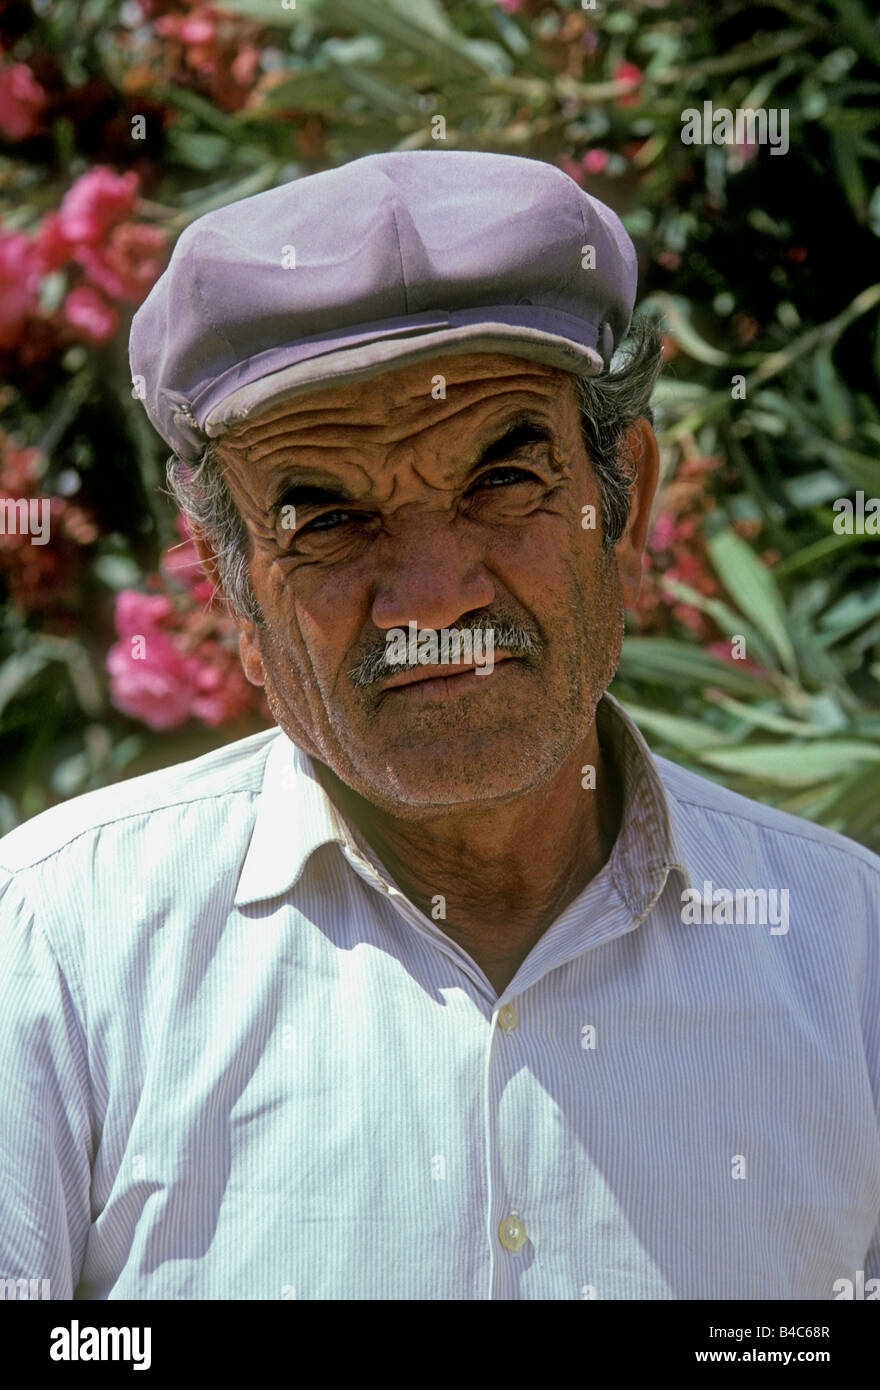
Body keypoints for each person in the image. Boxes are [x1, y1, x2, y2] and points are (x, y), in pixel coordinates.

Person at [1, 151, 878, 1301]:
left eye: (502, 481)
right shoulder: (52, 956)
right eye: (327, 516)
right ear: (232, 587)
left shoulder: (846, 954)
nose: (429, 599)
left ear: (624, 511)